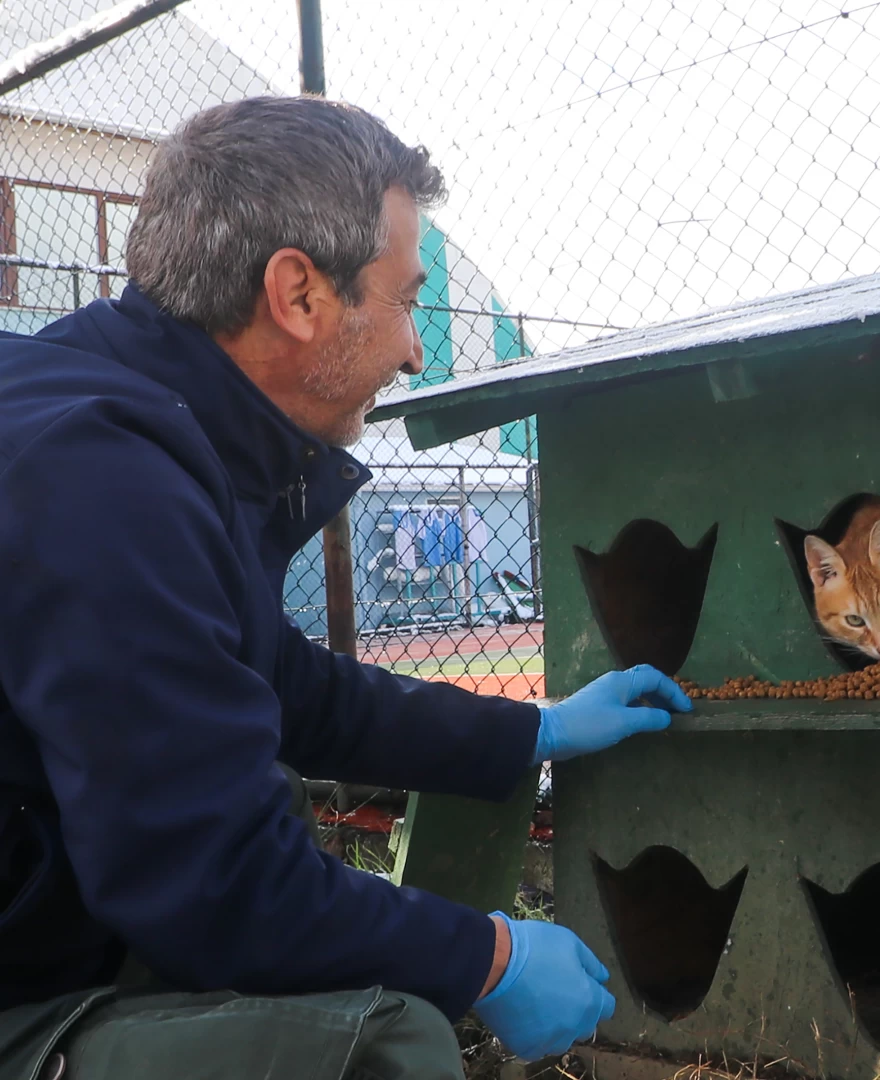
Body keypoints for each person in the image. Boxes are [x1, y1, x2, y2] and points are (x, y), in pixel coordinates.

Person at [0, 95, 691, 1080]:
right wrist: (486, 959)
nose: (415, 349)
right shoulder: (104, 477)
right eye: (405, 301)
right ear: (299, 294)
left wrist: (529, 732)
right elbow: (216, 883)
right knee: (383, 1049)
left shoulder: (108, 407)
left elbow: (276, 682)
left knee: (271, 799)